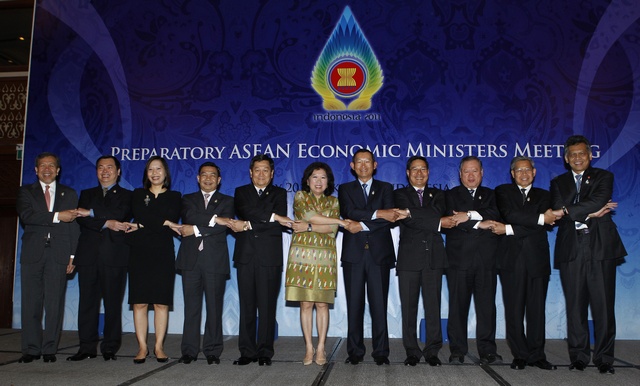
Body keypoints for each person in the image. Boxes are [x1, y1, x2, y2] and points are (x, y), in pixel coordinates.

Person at [550, 135, 626, 374]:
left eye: (582, 153)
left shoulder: (604, 176)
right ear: (566, 158)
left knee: (603, 306)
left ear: (590, 155)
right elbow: (559, 210)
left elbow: (599, 200)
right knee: (575, 306)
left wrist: (569, 209)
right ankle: (579, 357)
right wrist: (590, 213)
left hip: (600, 247)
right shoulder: (558, 182)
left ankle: (604, 358)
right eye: (572, 154)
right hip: (571, 247)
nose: (577, 157)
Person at [492, 156, 558, 370]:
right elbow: (510, 214)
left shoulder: (546, 195)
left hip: (537, 259)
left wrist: (509, 228)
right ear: (512, 174)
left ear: (534, 172)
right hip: (511, 259)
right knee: (514, 309)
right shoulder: (503, 191)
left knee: (537, 310)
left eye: (527, 169)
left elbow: (537, 224)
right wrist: (539, 218)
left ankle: (537, 354)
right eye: (518, 170)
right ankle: (519, 354)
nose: (523, 173)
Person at [227, 154, 292, 366]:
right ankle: (246, 351)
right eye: (257, 170)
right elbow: (245, 210)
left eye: (266, 170)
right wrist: (272, 217)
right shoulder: (241, 192)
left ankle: (265, 351)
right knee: (247, 305)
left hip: (269, 257)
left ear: (272, 174)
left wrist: (247, 225)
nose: (261, 174)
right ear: (250, 172)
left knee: (266, 307)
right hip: (246, 256)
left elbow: (278, 222)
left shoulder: (280, 193)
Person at [17, 152, 80, 363]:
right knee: (31, 303)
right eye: (42, 165)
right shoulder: (26, 192)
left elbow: (74, 227)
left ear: (58, 170)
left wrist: (72, 255)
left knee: (54, 304)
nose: (47, 169)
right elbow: (27, 216)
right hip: (33, 255)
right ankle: (31, 348)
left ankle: (50, 349)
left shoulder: (69, 194)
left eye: (51, 165)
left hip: (59, 255)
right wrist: (56, 216)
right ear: (35, 170)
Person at [339, 149, 398, 366]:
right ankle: (355, 351)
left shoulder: (386, 188)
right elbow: (349, 211)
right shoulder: (345, 189)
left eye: (367, 161)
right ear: (352, 166)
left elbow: (390, 217)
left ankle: (381, 352)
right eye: (359, 162)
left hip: (379, 255)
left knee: (379, 305)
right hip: (354, 255)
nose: (363, 165)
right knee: (354, 305)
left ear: (375, 165)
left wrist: (364, 223)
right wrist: (377, 213)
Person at [285, 162, 348, 366]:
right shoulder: (300, 197)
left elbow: (330, 230)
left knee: (322, 304)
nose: (319, 181)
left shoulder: (334, 202)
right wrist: (336, 221)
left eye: (323, 177)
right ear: (307, 180)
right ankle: (308, 348)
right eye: (315, 177)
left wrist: (310, 227)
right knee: (306, 304)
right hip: (301, 258)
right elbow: (308, 216)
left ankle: (321, 347)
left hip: (325, 259)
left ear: (328, 181)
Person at [393, 156, 455, 366]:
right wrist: (436, 221)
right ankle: (411, 350)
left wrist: (412, 213)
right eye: (415, 169)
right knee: (408, 308)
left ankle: (432, 351)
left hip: (434, 257)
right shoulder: (399, 195)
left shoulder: (438, 194)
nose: (419, 173)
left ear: (428, 172)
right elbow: (408, 220)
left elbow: (435, 212)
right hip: (409, 259)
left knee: (433, 306)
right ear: (408, 173)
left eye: (423, 169)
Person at [71, 156, 132, 361]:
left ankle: (110, 347)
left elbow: (120, 213)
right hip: (88, 256)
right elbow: (82, 221)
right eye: (100, 168)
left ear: (118, 171)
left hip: (115, 256)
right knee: (87, 303)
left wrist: (91, 213)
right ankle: (86, 347)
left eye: (109, 167)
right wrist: (107, 222)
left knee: (113, 303)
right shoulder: (86, 194)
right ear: (96, 171)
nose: (105, 171)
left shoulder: (127, 195)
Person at [443, 155, 503, 365]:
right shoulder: (450, 195)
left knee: (487, 307)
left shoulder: (492, 194)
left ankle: (487, 349)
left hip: (486, 260)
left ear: (482, 173)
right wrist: (480, 223)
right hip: (458, 260)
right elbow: (451, 221)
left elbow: (495, 214)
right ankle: (457, 349)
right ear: (460, 175)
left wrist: (468, 215)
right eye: (466, 171)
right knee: (458, 307)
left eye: (474, 171)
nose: (470, 175)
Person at [176, 162, 234, 365]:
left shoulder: (228, 200)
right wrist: (215, 219)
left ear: (219, 180)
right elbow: (189, 216)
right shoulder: (187, 199)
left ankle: (212, 350)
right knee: (191, 308)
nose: (208, 178)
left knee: (214, 307)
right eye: (204, 175)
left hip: (214, 261)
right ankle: (189, 350)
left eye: (213, 175)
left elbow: (224, 225)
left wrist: (196, 230)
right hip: (190, 261)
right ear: (198, 178)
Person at [125, 156, 181, 364]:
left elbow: (167, 216)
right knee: (139, 303)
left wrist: (143, 224)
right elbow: (140, 214)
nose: (155, 173)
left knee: (161, 303)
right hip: (139, 252)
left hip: (163, 253)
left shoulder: (175, 196)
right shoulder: (138, 194)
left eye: (159, 169)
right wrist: (165, 221)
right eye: (151, 169)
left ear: (165, 173)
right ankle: (142, 347)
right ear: (146, 174)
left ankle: (158, 347)